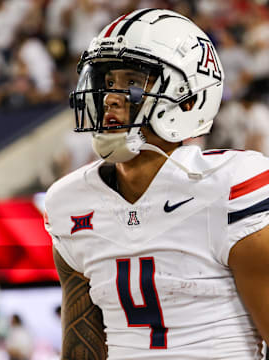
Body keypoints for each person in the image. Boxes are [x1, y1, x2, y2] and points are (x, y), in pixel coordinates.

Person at [44, 8, 269, 359]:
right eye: (108, 80)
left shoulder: (229, 188)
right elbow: (82, 348)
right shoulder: (70, 203)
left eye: (133, 81)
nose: (112, 97)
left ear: (189, 97)